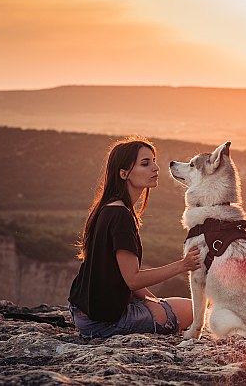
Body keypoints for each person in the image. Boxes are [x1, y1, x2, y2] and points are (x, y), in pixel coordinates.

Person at [68, 136, 201, 338]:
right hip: (106, 322)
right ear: (124, 173)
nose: (155, 168)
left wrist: (152, 302)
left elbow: (122, 275)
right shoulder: (120, 216)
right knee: (198, 311)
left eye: (154, 161)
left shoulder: (108, 208)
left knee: (182, 307)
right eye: (145, 163)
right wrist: (183, 265)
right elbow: (132, 279)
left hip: (86, 313)